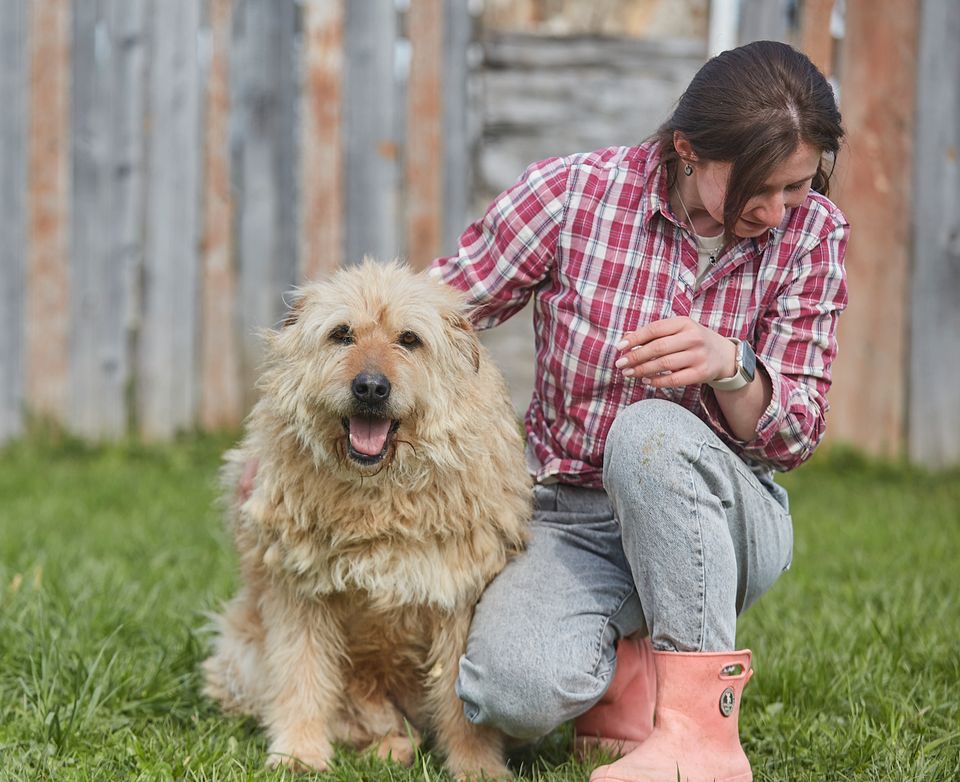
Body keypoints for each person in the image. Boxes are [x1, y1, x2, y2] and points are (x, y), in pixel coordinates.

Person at [429, 40, 848, 782]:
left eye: (797, 186)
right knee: (507, 695)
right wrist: (318, 398)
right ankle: (629, 668)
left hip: (727, 516)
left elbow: (795, 435)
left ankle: (703, 740)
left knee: (649, 430)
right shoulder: (571, 195)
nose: (778, 212)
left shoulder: (812, 233)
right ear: (687, 150)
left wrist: (732, 364)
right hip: (572, 515)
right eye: (762, 187)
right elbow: (438, 307)